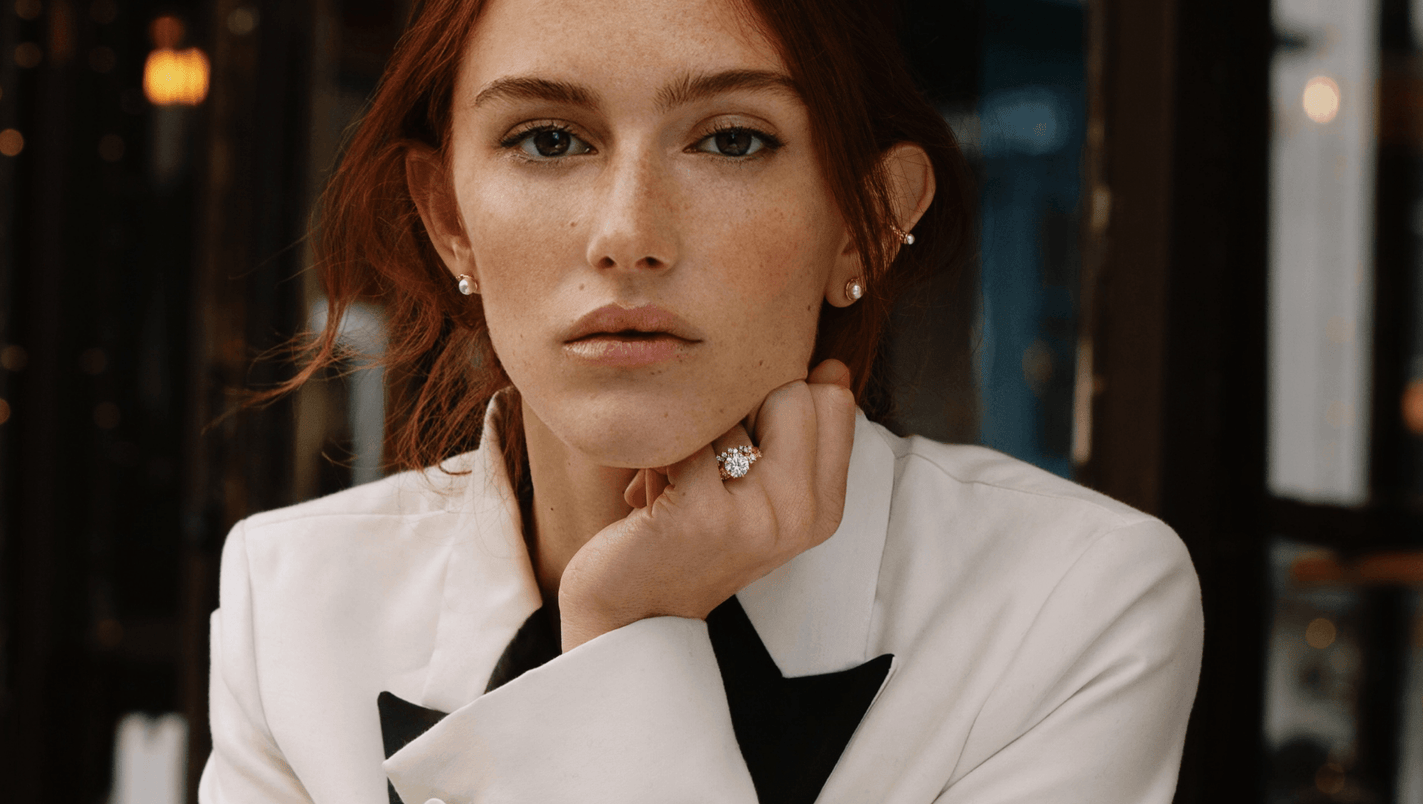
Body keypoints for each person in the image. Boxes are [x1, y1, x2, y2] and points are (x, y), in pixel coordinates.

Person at [198, 0, 1203, 801]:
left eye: (731, 141)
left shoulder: (1067, 599)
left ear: (866, 220)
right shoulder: (293, 603)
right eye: (547, 140)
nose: (628, 234)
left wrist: (625, 628)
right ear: (448, 219)